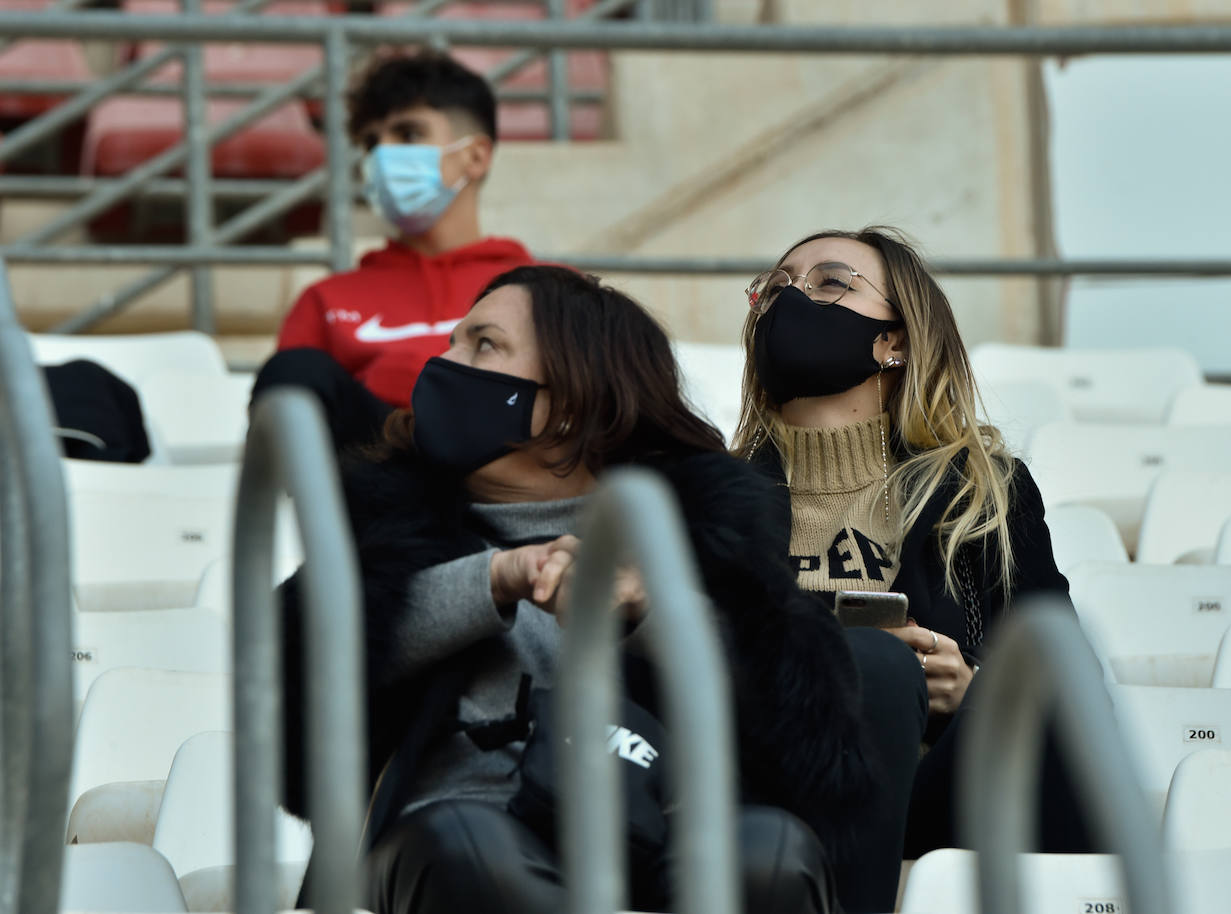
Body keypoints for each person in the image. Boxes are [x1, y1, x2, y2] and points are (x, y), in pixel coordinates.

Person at [277, 266, 887, 914]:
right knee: (469, 848)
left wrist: (650, 610)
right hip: (456, 839)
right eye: (454, 341)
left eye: (483, 345)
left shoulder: (701, 541)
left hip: (664, 837)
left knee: (771, 851)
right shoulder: (382, 532)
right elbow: (303, 673)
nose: (444, 362)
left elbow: (807, 726)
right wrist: (495, 579)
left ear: (571, 406)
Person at [731, 226, 1086, 866]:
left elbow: (1065, 676)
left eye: (829, 283)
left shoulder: (983, 490)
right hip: (762, 781)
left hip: (927, 799)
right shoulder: (713, 496)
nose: (791, 299)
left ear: (892, 341)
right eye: (774, 288)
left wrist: (972, 690)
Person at [252, 51, 534, 449]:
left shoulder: (544, 291)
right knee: (297, 372)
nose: (383, 156)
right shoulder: (326, 301)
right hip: (382, 471)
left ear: (475, 156)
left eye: (409, 134)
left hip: (504, 468)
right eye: (371, 143)